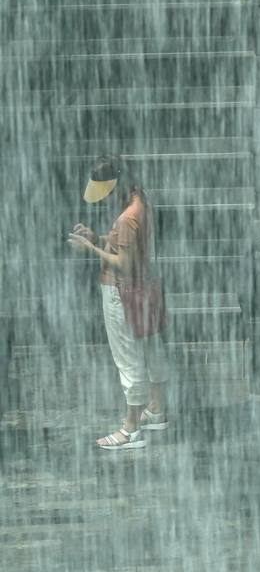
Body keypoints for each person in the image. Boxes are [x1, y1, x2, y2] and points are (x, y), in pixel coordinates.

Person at [66, 155, 170, 450]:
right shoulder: (140, 199)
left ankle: (131, 429)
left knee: (128, 359)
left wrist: (90, 247)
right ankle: (157, 409)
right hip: (146, 286)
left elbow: (122, 262)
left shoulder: (126, 218)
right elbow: (129, 246)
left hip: (121, 290)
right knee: (151, 349)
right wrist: (98, 237)